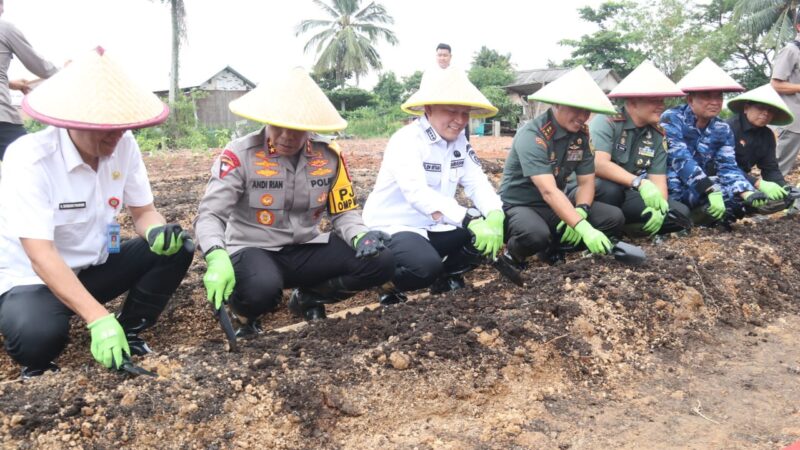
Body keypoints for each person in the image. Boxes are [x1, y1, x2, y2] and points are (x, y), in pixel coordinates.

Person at [0, 47, 192, 378]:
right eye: (105, 126)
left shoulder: (123, 143)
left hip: (93, 267)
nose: (116, 135)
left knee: (179, 248)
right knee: (37, 341)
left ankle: (129, 330)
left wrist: (156, 231)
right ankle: (84, 325)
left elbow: (144, 211)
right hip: (33, 280)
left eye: (122, 125)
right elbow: (40, 255)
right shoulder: (30, 159)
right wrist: (97, 318)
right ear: (70, 119)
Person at [195, 67, 394, 327]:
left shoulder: (330, 156)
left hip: (306, 247)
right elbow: (210, 214)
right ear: (266, 119)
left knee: (381, 261)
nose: (287, 136)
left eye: (298, 129)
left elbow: (343, 211)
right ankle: (244, 314)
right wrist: (215, 254)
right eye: (279, 126)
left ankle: (309, 298)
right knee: (260, 290)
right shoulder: (239, 155)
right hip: (254, 249)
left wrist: (359, 235)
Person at [362, 67, 509, 305]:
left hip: (434, 224)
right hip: (396, 225)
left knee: (500, 224)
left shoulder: (460, 141)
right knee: (423, 267)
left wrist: (494, 214)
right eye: (452, 111)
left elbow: (476, 181)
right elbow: (416, 193)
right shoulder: (407, 140)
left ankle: (447, 277)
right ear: (428, 109)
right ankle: (387, 284)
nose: (460, 120)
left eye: (465, 113)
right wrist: (469, 219)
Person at [499, 66, 625, 273]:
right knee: (535, 235)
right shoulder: (533, 136)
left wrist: (581, 210)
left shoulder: (581, 137)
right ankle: (513, 254)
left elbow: (586, 181)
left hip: (554, 204)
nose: (583, 116)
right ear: (557, 104)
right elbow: (548, 190)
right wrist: (582, 227)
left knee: (612, 218)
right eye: (576, 109)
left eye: (587, 110)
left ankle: (554, 248)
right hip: (519, 205)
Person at [589, 60, 692, 236]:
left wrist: (660, 206)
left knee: (679, 214)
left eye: (662, 100)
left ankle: (628, 228)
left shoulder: (658, 134)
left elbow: (658, 179)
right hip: (592, 191)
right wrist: (639, 182)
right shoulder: (607, 122)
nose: (661, 106)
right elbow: (598, 164)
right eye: (654, 100)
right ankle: (607, 226)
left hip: (626, 193)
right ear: (633, 102)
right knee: (609, 189)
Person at [661, 58, 767, 226]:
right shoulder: (672, 118)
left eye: (719, 96)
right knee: (711, 197)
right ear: (690, 100)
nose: (715, 102)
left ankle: (705, 216)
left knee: (744, 198)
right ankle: (692, 218)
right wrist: (709, 189)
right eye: (706, 96)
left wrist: (747, 192)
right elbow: (680, 159)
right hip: (670, 182)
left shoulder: (722, 128)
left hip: (704, 182)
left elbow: (727, 166)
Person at [0, 0, 58, 160]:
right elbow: (40, 67)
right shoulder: (5, 28)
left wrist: (11, 84)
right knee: (29, 163)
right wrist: (65, 72)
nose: (2, 11)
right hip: (1, 118)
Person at [726, 84, 796, 211]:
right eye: (761, 108)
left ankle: (745, 208)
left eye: (770, 110)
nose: (765, 113)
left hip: (745, 181)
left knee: (780, 200)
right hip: (717, 178)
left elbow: (770, 168)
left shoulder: (767, 135)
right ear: (746, 108)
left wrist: (784, 187)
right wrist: (757, 183)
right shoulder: (728, 128)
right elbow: (721, 167)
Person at [770, 9, 800, 177]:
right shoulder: (791, 50)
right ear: (798, 27)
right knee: (779, 169)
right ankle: (769, 202)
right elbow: (775, 84)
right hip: (791, 122)